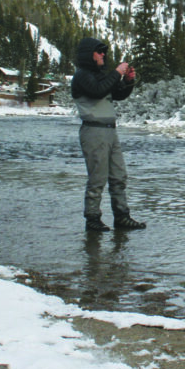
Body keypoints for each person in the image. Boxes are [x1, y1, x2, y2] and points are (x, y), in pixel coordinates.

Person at [70, 37, 146, 232]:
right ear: (89, 54)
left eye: (104, 51)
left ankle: (122, 217)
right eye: (99, 51)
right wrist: (117, 72)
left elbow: (118, 93)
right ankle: (92, 219)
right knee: (97, 178)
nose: (103, 54)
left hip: (110, 132)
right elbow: (97, 91)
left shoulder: (100, 76)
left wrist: (128, 81)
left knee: (119, 176)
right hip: (93, 131)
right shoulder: (82, 76)